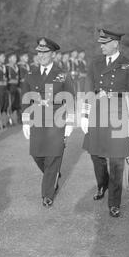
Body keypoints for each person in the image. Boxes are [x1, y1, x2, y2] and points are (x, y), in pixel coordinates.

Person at [81, 29, 129, 218]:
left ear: (115, 43)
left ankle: (114, 202)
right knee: (96, 156)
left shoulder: (128, 64)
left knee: (116, 161)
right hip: (97, 112)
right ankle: (102, 184)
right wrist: (84, 113)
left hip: (118, 114)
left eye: (105, 43)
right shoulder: (95, 63)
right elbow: (88, 86)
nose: (101, 46)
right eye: (100, 43)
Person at [21, 37, 75, 207]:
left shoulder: (62, 74)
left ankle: (47, 194)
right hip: (36, 119)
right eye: (39, 52)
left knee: (52, 156)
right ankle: (53, 175)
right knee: (36, 154)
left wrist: (70, 123)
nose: (41, 55)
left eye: (45, 53)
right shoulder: (31, 74)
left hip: (56, 120)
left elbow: (71, 99)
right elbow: (25, 99)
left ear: (53, 54)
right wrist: (24, 121)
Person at [7, 52, 22, 124]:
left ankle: (18, 119)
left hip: (16, 87)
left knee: (17, 104)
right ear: (9, 59)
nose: (15, 59)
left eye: (15, 58)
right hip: (10, 87)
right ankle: (9, 120)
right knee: (10, 104)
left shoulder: (16, 67)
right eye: (13, 58)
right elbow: (6, 78)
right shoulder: (7, 67)